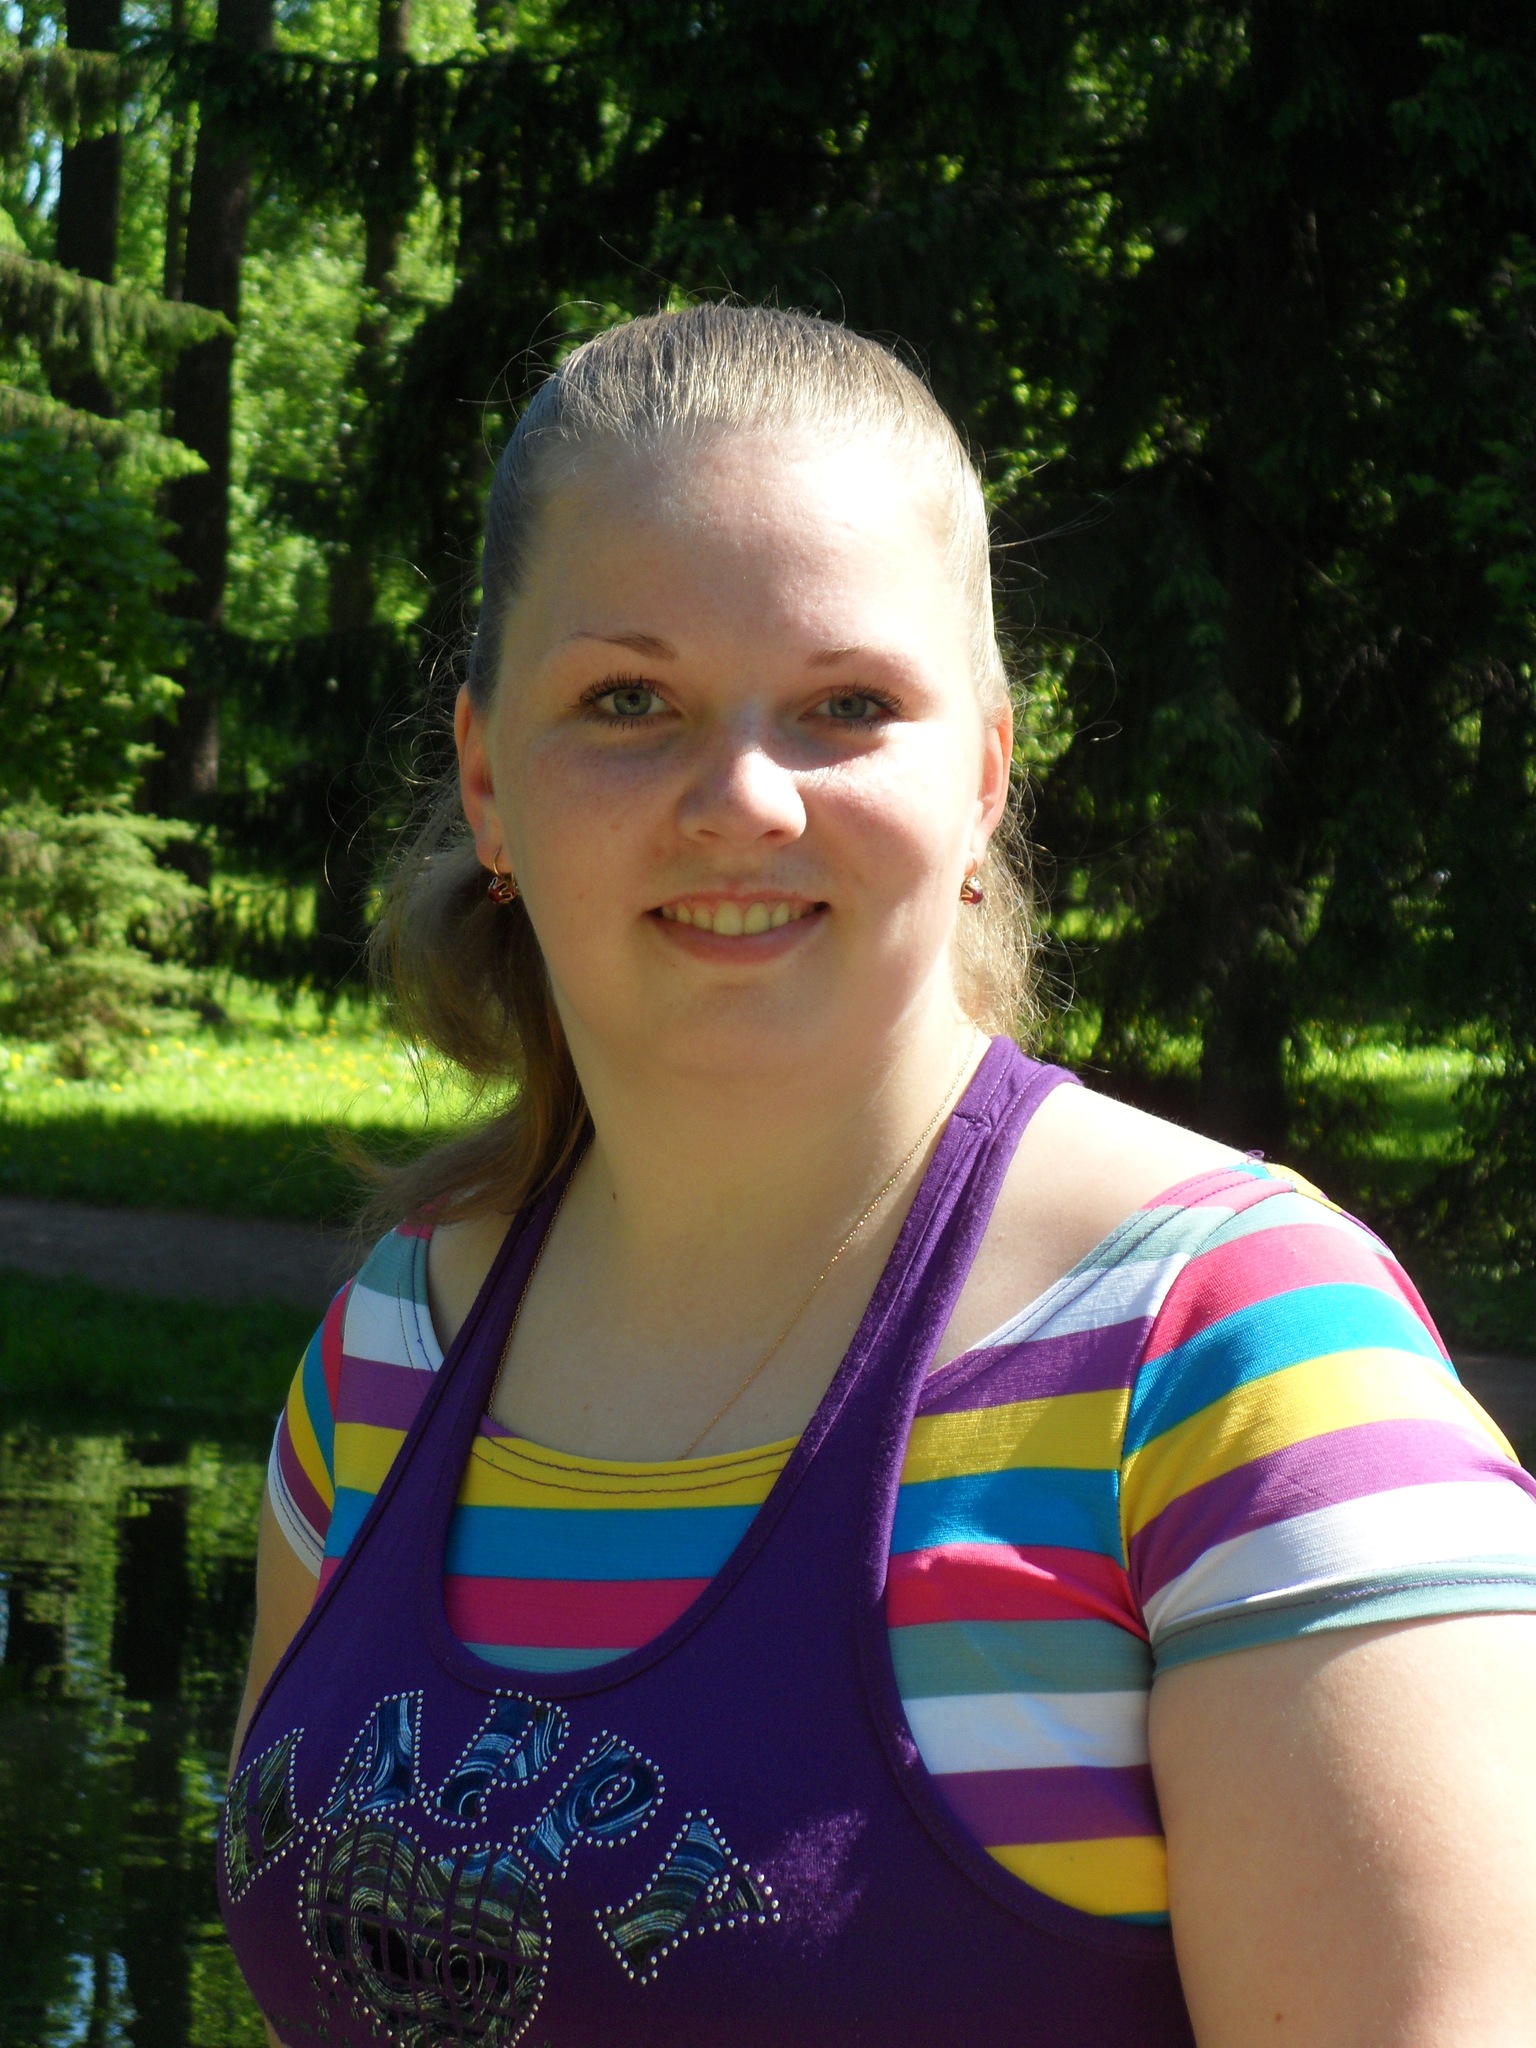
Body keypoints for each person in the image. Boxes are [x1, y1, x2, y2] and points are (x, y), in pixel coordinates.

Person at [221, 304, 1536, 2048]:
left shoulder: (1237, 1363)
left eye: (847, 705)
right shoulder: (399, 1341)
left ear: (983, 775)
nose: (743, 798)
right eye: (628, 700)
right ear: (485, 779)